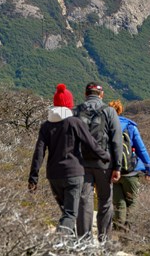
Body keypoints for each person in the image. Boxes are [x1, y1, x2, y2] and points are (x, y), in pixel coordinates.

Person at [28, 83, 110, 236]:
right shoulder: (74, 122)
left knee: (66, 214)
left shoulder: (46, 126)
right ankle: (59, 242)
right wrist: (105, 156)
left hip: (53, 175)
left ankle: (69, 247)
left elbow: (39, 151)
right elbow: (90, 143)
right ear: (69, 104)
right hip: (74, 173)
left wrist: (33, 177)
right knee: (71, 214)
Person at [75, 82, 122, 242]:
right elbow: (116, 140)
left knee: (84, 201)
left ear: (85, 93)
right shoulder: (109, 111)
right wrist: (118, 166)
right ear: (101, 95)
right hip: (104, 164)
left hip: (81, 164)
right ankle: (105, 241)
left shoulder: (76, 111)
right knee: (105, 201)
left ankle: (84, 241)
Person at [108, 99, 150, 232]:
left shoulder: (105, 127)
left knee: (119, 203)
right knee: (132, 202)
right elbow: (141, 149)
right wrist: (149, 169)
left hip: (113, 172)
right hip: (131, 172)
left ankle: (118, 231)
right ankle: (129, 233)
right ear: (120, 111)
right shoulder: (130, 127)